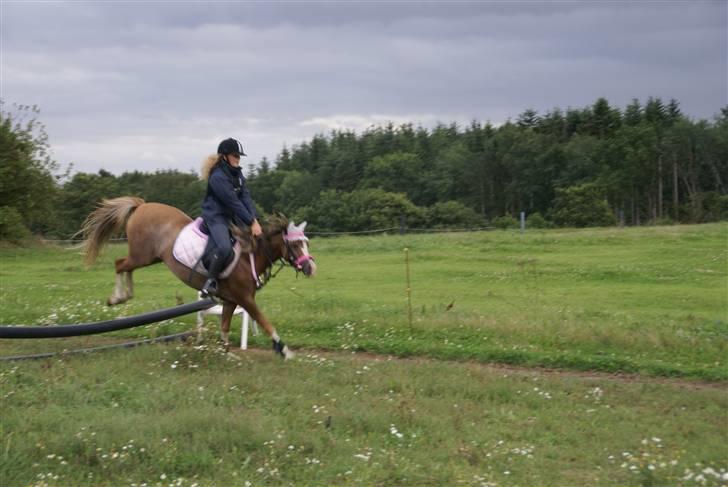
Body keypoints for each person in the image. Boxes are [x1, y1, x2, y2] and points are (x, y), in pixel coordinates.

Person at [200, 137, 263, 296]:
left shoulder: (238, 175)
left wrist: (254, 219)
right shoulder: (218, 177)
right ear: (224, 156)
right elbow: (233, 202)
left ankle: (252, 276)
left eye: (239, 156)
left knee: (250, 241)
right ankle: (210, 282)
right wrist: (250, 221)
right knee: (225, 248)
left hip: (231, 217)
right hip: (216, 217)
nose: (238, 158)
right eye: (235, 155)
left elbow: (245, 198)